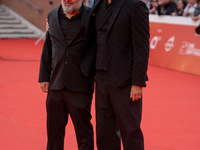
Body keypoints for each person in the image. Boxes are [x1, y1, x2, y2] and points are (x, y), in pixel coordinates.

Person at [87, 0, 149, 149]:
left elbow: (141, 46)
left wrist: (138, 82)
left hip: (125, 80)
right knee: (104, 130)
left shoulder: (135, 5)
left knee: (130, 130)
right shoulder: (98, 3)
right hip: (101, 77)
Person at [38, 0, 96, 150]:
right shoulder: (52, 15)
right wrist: (44, 76)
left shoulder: (92, 15)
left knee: (84, 134)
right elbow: (48, 47)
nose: (68, 0)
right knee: (54, 133)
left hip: (81, 84)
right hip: (56, 84)